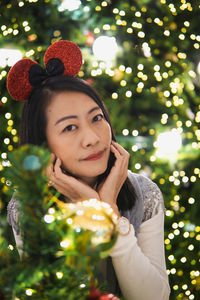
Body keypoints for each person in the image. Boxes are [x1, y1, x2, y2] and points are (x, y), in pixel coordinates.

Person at [7, 40, 170, 300]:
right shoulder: (28, 205)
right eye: (69, 127)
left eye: (96, 118)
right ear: (43, 143)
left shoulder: (145, 193)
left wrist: (110, 216)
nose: (92, 138)